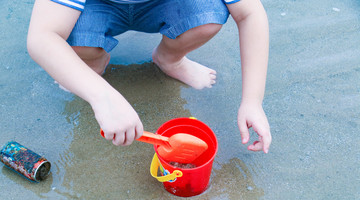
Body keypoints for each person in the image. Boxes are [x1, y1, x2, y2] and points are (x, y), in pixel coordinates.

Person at [27, 0, 272, 153]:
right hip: (95, 6)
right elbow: (42, 36)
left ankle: (170, 58)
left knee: (207, 14)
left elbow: (249, 13)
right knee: (71, 39)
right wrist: (102, 96)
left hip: (165, 4)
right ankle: (91, 62)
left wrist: (252, 100)